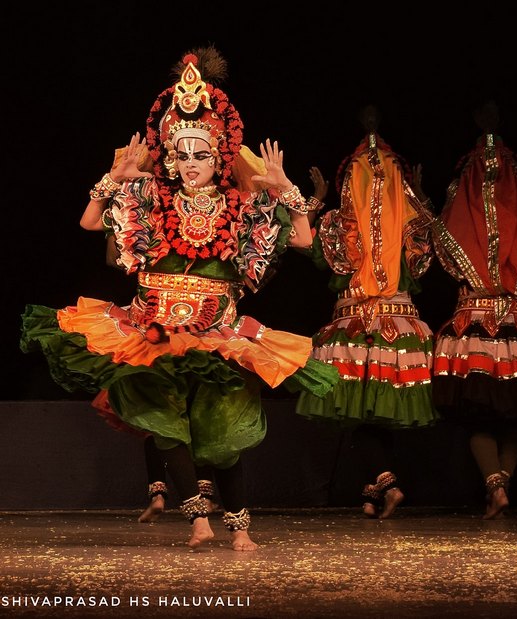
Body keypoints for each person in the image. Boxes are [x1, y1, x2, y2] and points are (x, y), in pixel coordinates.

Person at [21, 48, 337, 550]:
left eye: (202, 155)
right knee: (166, 426)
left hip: (217, 333)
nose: (191, 165)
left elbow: (301, 240)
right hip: (155, 329)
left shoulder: (241, 206)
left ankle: (239, 527)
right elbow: (87, 222)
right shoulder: (149, 198)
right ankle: (197, 521)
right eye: (183, 155)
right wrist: (115, 180)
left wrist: (285, 188)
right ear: (170, 156)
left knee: (225, 429)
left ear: (220, 158)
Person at [296, 106, 435, 519]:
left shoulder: (340, 222)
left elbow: (301, 243)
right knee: (373, 410)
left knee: (357, 412)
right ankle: (373, 490)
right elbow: (433, 252)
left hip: (353, 326)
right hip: (399, 325)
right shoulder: (412, 224)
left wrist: (316, 200)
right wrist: (423, 200)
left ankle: (386, 483)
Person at [429, 102, 517, 518]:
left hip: (476, 322)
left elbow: (444, 237)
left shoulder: (465, 191)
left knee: (479, 412)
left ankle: (494, 486)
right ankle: (501, 484)